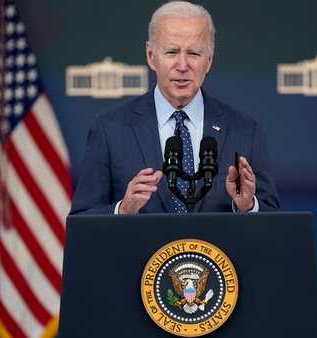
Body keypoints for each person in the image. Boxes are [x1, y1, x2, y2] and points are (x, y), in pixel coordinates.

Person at [70, 1, 280, 214]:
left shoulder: (245, 131)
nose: (182, 66)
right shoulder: (109, 129)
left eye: (194, 54)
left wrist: (248, 206)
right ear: (151, 56)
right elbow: (82, 222)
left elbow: (276, 226)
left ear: (209, 60)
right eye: (171, 52)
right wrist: (122, 210)